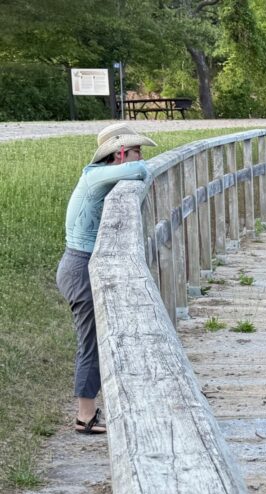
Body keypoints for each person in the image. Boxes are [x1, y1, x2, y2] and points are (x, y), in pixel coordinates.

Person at [56, 123, 157, 435]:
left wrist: (139, 166)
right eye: (136, 150)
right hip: (80, 267)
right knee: (91, 342)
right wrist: (138, 164)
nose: (141, 155)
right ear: (120, 153)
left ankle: (98, 407)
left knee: (101, 339)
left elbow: (141, 171)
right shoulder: (94, 176)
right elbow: (140, 171)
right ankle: (85, 415)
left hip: (85, 265)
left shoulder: (103, 176)